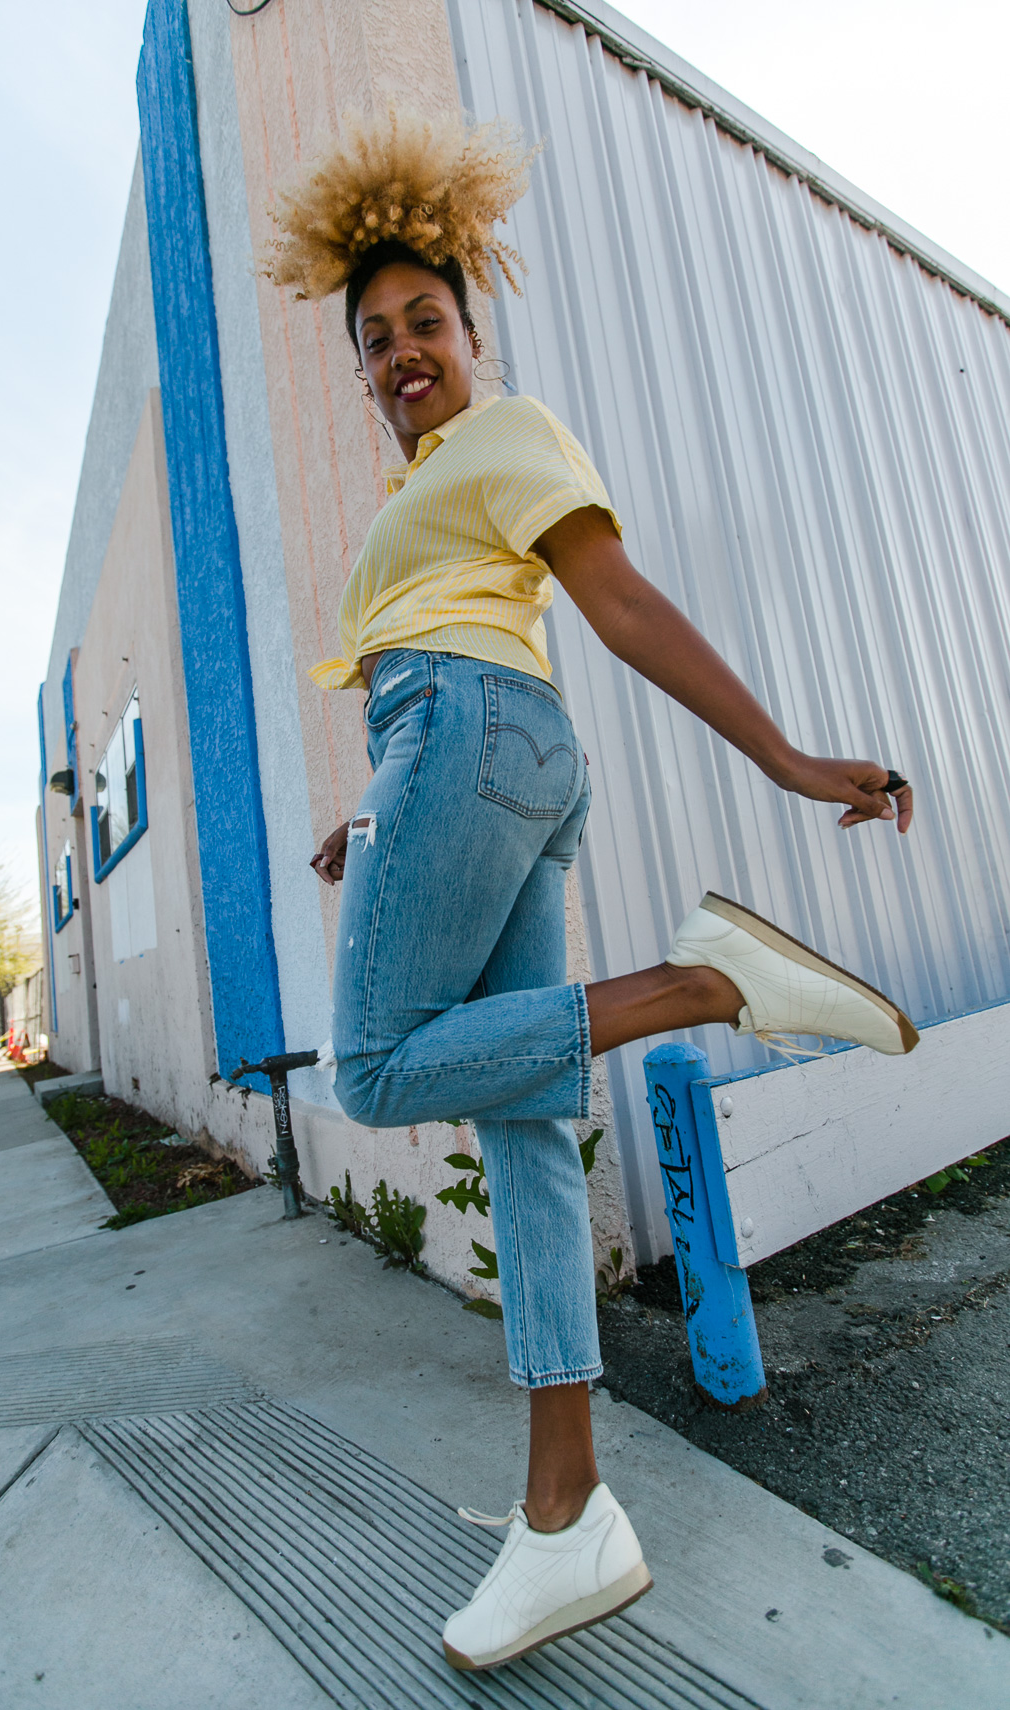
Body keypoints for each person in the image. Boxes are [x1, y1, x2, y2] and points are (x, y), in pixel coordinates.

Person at [268, 108, 917, 1673]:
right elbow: (469, 648)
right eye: (377, 338)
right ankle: (569, 1515)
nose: (404, 348)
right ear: (361, 372)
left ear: (472, 333)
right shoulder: (433, 486)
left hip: (475, 735)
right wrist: (383, 817)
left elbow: (614, 602)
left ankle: (708, 981)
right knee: (530, 1137)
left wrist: (782, 756)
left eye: (427, 320)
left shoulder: (507, 434)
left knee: (369, 1065)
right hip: (484, 763)